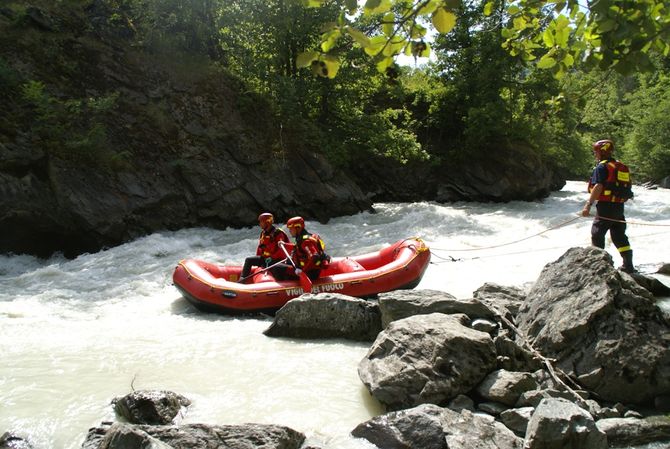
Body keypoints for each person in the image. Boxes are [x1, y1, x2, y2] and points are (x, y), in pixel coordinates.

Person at [581, 139, 635, 273]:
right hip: (618, 206)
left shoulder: (602, 167)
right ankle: (628, 266)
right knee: (619, 236)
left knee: (597, 232)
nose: (595, 154)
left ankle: (600, 265)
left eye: (596, 152)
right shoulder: (620, 166)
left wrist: (588, 205)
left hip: (605, 206)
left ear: (603, 152)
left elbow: (598, 186)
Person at [240, 213, 290, 282]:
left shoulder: (278, 233)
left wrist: (271, 258)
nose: (259, 224)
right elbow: (260, 248)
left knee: (275, 267)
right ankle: (242, 279)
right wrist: (259, 262)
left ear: (267, 222)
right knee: (249, 260)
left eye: (261, 222)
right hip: (265, 259)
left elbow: (281, 251)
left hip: (276, 260)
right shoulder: (263, 233)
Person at [285, 216, 330, 281]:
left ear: (298, 228)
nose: (289, 231)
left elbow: (314, 257)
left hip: (310, 273)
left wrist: (302, 271)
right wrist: (285, 244)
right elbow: (298, 248)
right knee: (287, 262)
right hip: (305, 268)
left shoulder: (306, 241)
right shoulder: (303, 238)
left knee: (279, 269)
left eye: (291, 228)